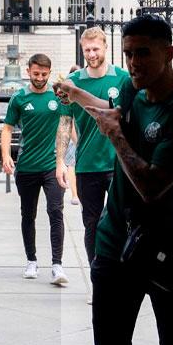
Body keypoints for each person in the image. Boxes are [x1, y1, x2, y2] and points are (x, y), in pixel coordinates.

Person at [56, 15, 173, 345]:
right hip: (113, 247)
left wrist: (116, 135)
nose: (135, 63)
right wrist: (75, 94)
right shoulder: (135, 95)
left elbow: (152, 185)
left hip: (170, 253)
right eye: (129, 54)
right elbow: (109, 113)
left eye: (144, 53)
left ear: (169, 53)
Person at [56, 28, 130, 268]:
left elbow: (123, 116)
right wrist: (60, 162)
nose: (91, 54)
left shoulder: (122, 78)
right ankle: (97, 275)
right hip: (88, 165)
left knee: (123, 222)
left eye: (96, 48)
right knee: (92, 224)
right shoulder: (72, 83)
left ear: (106, 47)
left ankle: (122, 273)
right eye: (87, 50)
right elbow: (65, 124)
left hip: (119, 164)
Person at [1, 53, 69, 286]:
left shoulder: (57, 96)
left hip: (52, 166)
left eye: (44, 74)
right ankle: (31, 260)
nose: (40, 78)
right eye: (36, 73)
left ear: (49, 73)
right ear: (28, 71)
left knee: (55, 211)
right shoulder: (19, 98)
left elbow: (67, 124)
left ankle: (57, 265)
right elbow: (7, 128)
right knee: (27, 214)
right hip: (27, 166)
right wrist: (5, 155)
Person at [62, 65, 81, 207]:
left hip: (78, 138)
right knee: (72, 165)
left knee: (72, 165)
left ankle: (76, 194)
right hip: (73, 138)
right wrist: (77, 141)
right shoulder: (70, 97)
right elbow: (70, 123)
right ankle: (75, 194)